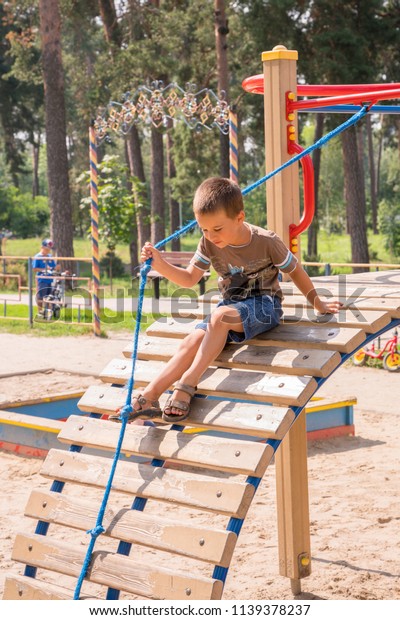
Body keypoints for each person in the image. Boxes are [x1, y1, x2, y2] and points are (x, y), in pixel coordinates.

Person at [111, 177, 343, 424]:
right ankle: (149, 397)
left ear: (239, 218)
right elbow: (190, 278)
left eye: (217, 229)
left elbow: (295, 270)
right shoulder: (208, 243)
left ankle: (187, 384)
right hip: (231, 307)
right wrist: (160, 263)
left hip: (265, 306)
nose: (210, 236)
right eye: (204, 229)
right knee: (192, 341)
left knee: (219, 317)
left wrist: (318, 303)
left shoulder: (266, 241)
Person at [32, 239, 59, 313]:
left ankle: (48, 311)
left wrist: (56, 267)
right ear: (42, 247)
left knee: (50, 296)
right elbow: (34, 269)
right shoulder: (38, 256)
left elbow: (53, 266)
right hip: (42, 279)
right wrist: (44, 269)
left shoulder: (50, 256)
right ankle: (40, 311)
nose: (48, 251)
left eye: (49, 249)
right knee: (41, 296)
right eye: (46, 249)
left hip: (50, 279)